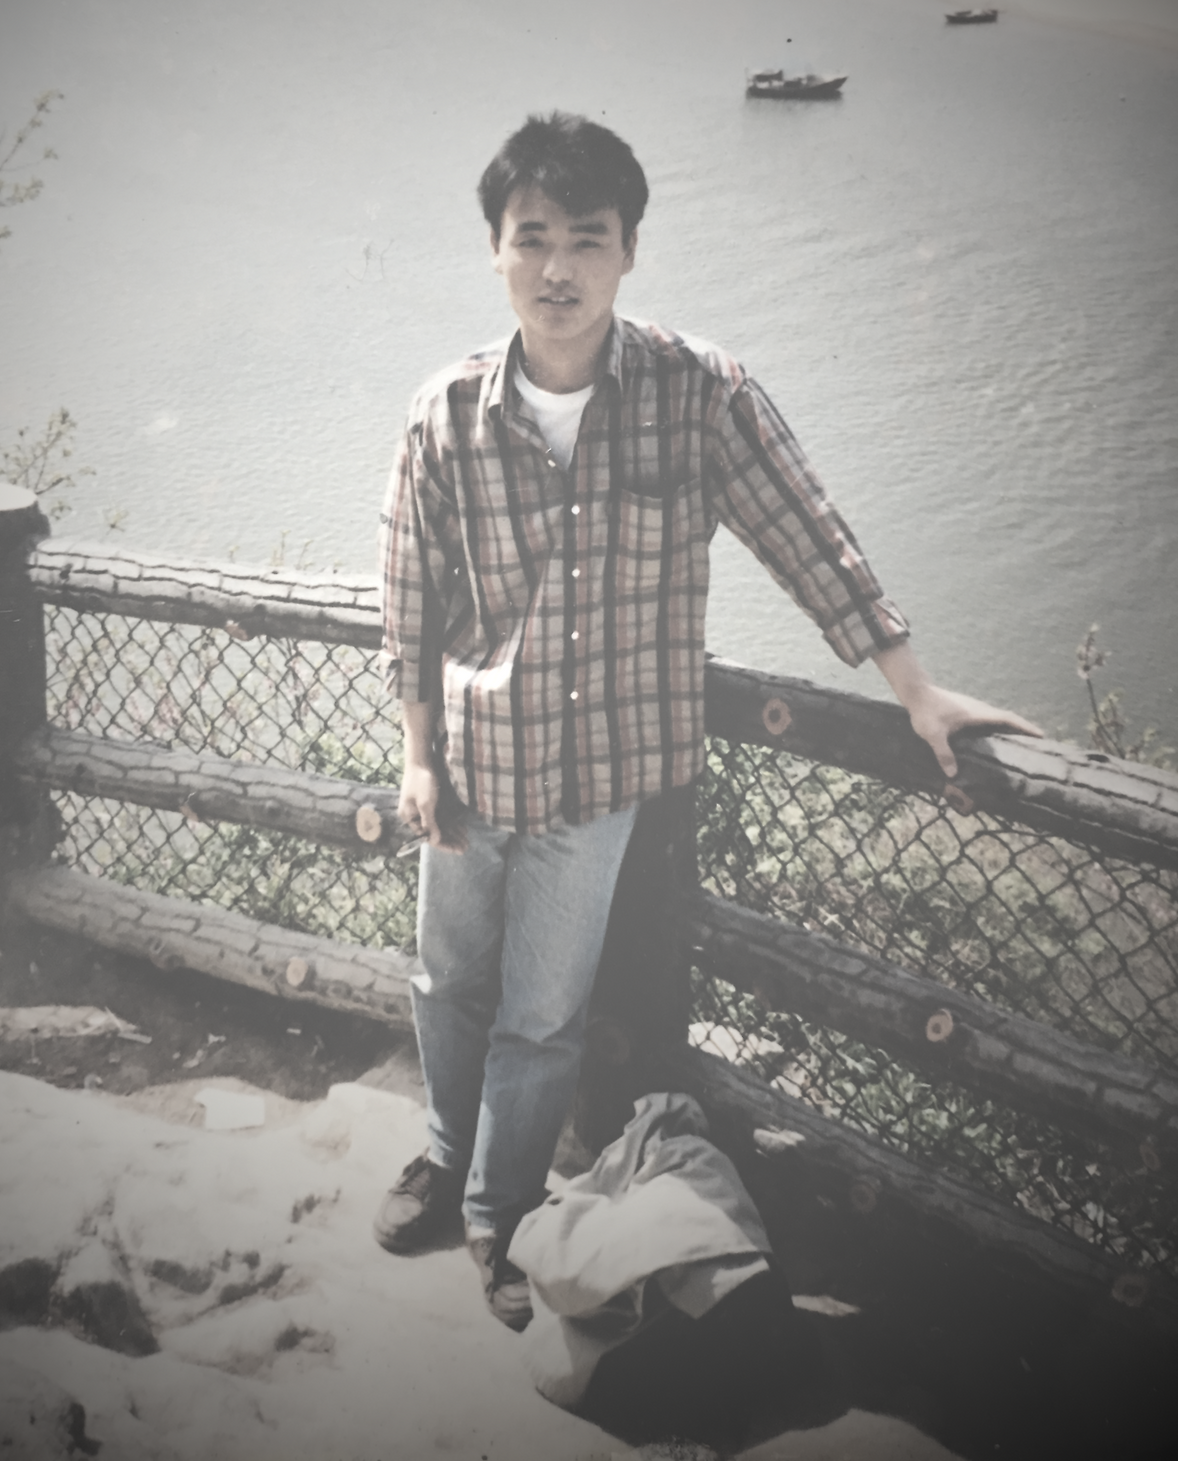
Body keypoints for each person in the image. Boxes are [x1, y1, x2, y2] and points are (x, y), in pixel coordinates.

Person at [373, 111, 1039, 1329]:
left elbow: (808, 537)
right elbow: (408, 594)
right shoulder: (445, 412)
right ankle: (441, 1149)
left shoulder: (698, 393)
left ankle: (497, 1214)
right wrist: (416, 756)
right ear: (494, 249)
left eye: (587, 238)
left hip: (602, 782)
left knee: (542, 1015)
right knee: (446, 979)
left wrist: (913, 686)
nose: (558, 268)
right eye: (533, 238)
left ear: (628, 250)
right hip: (471, 762)